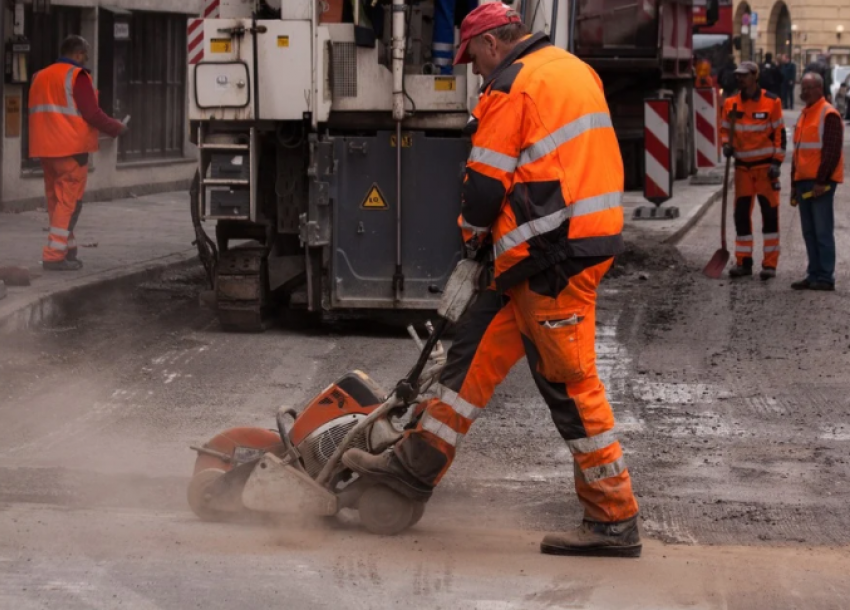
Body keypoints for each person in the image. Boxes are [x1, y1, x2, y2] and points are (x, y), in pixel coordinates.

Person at [343, 3, 641, 558]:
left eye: (472, 57)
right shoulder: (574, 69)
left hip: (552, 258)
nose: (473, 69)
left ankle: (614, 519)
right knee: (467, 364)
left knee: (570, 387)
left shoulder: (511, 86)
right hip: (545, 253)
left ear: (492, 44)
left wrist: (471, 240)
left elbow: (484, 189)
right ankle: (412, 470)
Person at [28, 35, 127, 271]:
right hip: (71, 150)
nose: (87, 60)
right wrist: (116, 128)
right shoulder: (77, 76)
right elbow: (92, 114)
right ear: (79, 53)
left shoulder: (40, 76)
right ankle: (54, 256)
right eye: (86, 55)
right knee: (69, 204)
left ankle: (67, 249)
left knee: (56, 202)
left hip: (45, 149)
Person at [720, 61, 786, 280]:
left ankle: (769, 265)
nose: (740, 79)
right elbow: (724, 130)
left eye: (744, 76)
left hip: (765, 169)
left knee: (769, 216)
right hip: (742, 170)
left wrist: (777, 161)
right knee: (741, 216)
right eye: (738, 75)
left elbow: (780, 134)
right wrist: (725, 145)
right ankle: (744, 262)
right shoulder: (730, 103)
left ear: (754, 77)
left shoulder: (772, 101)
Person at [790, 72, 844, 291]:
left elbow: (831, 151)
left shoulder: (828, 114)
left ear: (819, 89)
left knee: (822, 231)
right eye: (802, 87)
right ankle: (813, 274)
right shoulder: (805, 115)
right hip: (804, 182)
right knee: (809, 232)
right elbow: (798, 153)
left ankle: (825, 277)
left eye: (807, 87)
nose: (803, 92)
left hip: (820, 183)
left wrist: (821, 181)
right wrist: (794, 183)